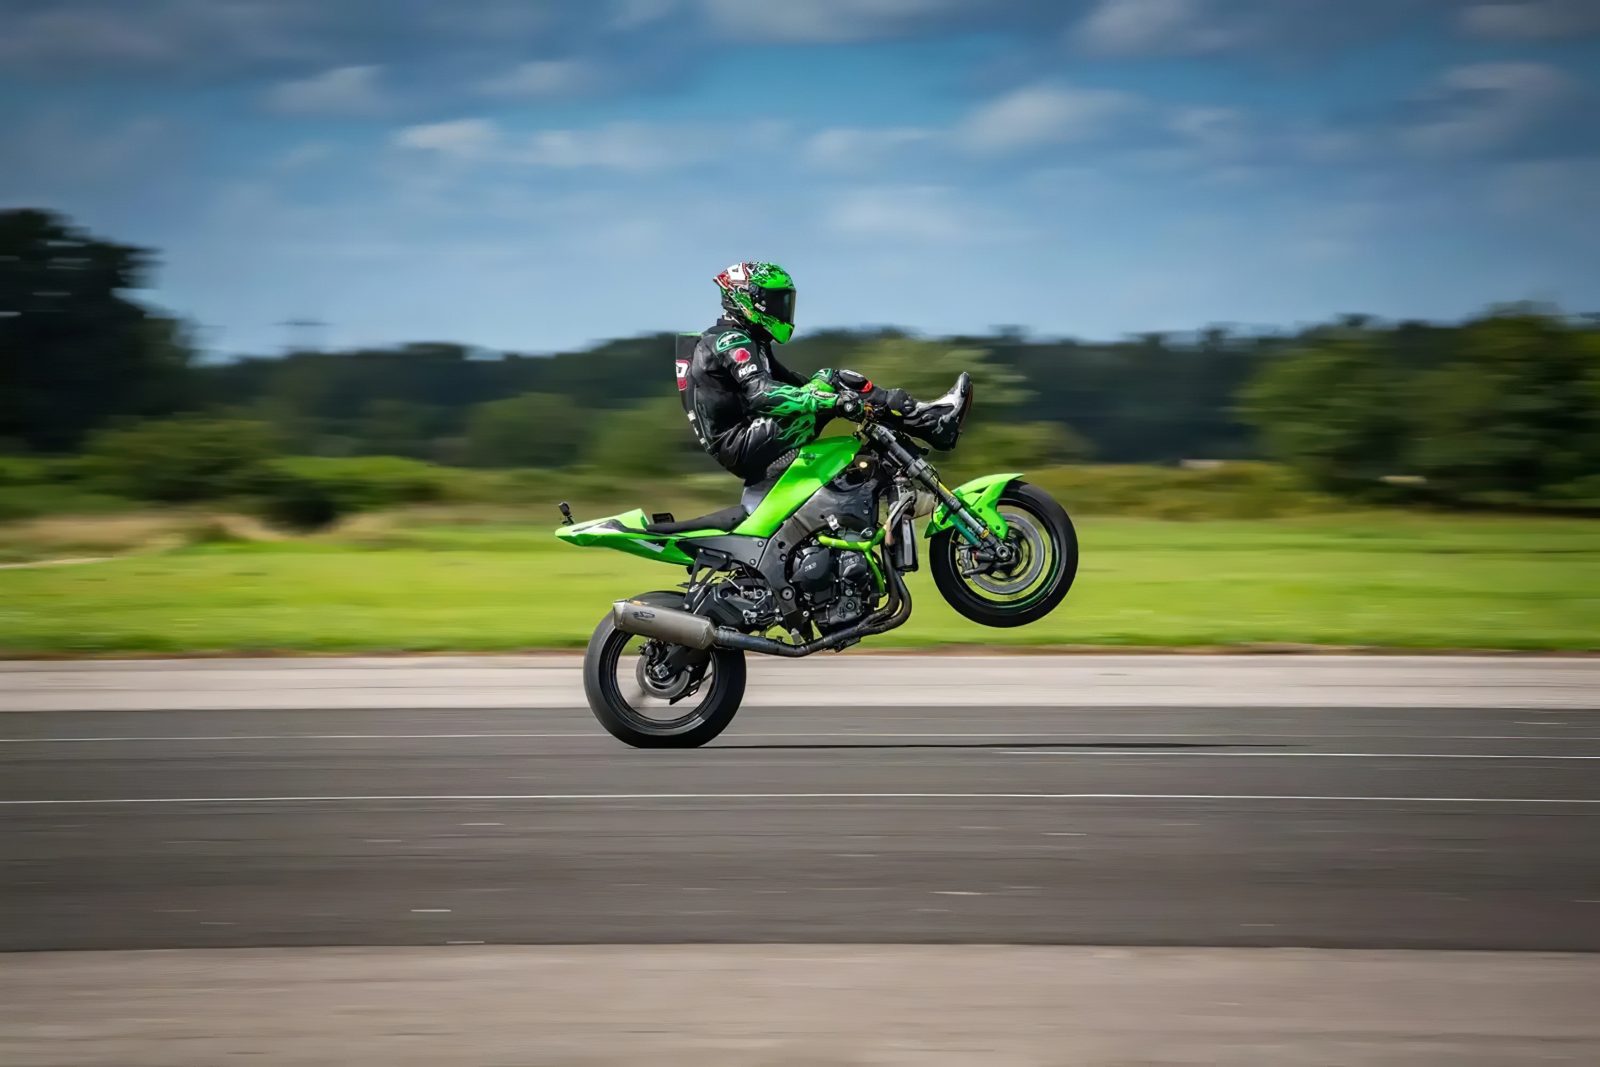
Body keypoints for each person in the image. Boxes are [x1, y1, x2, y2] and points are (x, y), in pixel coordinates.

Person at [677, 261, 963, 498]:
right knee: (832, 383)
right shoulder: (729, 340)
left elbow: (796, 385)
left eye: (784, 301)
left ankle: (915, 432)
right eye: (774, 301)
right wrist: (833, 402)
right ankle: (929, 424)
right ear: (746, 299)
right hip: (743, 446)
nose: (781, 309)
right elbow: (762, 395)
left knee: (832, 380)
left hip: (746, 441)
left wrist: (837, 397)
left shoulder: (750, 340)